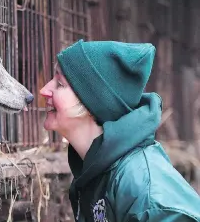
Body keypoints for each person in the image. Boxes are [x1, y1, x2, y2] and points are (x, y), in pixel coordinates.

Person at [40, 39, 200, 222]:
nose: (44, 90)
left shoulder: (145, 193)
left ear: (92, 103)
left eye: (60, 84)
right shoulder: (95, 170)